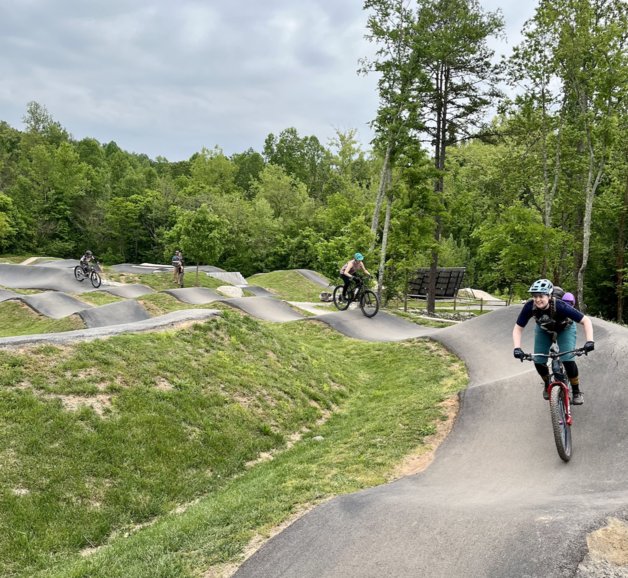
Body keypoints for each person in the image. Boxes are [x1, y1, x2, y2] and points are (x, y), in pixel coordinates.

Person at [512, 278, 594, 405]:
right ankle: (547, 384)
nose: (538, 299)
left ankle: (576, 391)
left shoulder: (560, 306)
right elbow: (518, 328)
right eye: (535, 296)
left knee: (567, 359)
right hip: (543, 329)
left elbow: (586, 321)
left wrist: (590, 341)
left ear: (549, 295)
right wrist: (517, 348)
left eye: (541, 296)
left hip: (565, 329)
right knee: (538, 361)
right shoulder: (529, 306)